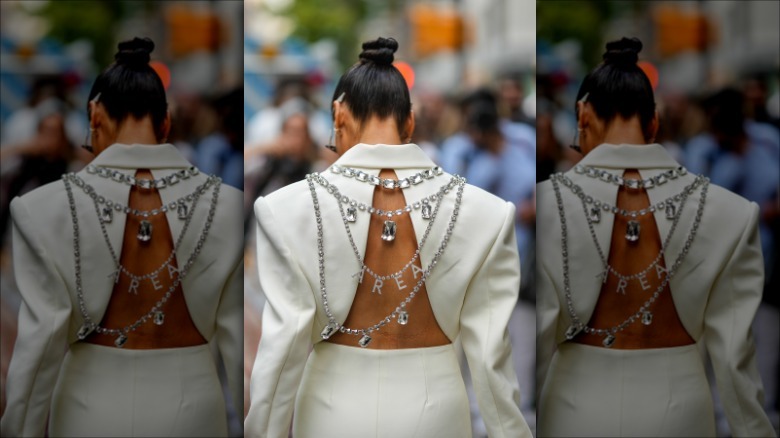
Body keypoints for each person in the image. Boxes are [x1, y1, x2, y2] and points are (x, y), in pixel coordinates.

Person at [246, 37, 532, 438]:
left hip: (331, 413)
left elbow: (282, 352)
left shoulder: (284, 209)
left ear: (338, 115)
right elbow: (492, 363)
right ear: (409, 122)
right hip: (437, 415)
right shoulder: (488, 213)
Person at [0, 37, 243, 437]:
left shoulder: (41, 208)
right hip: (193, 408)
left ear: (94, 115)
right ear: (165, 122)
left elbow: (40, 348)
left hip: (86, 409)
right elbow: (238, 348)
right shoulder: (229, 205)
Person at [536, 37, 775, 438]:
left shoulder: (545, 204)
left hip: (573, 409)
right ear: (654, 122)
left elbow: (536, 348)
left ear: (583, 115)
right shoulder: (732, 213)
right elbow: (737, 367)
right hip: (680, 412)